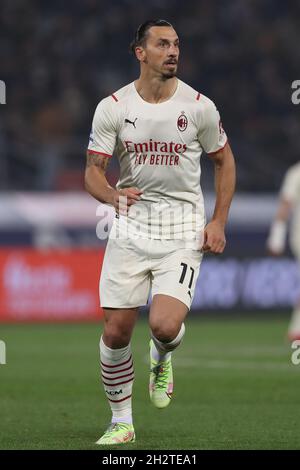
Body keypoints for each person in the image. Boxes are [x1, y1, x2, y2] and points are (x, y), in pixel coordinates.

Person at [85, 19, 236, 445]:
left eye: (176, 45)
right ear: (141, 53)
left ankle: (161, 355)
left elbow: (224, 161)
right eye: (162, 44)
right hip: (131, 230)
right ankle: (122, 423)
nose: (173, 51)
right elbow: (93, 172)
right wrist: (112, 196)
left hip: (182, 230)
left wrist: (219, 220)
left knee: (165, 326)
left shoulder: (199, 107)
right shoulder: (113, 106)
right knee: (115, 332)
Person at [267, 162, 300, 341]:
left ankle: (296, 330)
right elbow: (285, 206)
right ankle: (296, 331)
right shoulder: (296, 173)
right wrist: (276, 237)